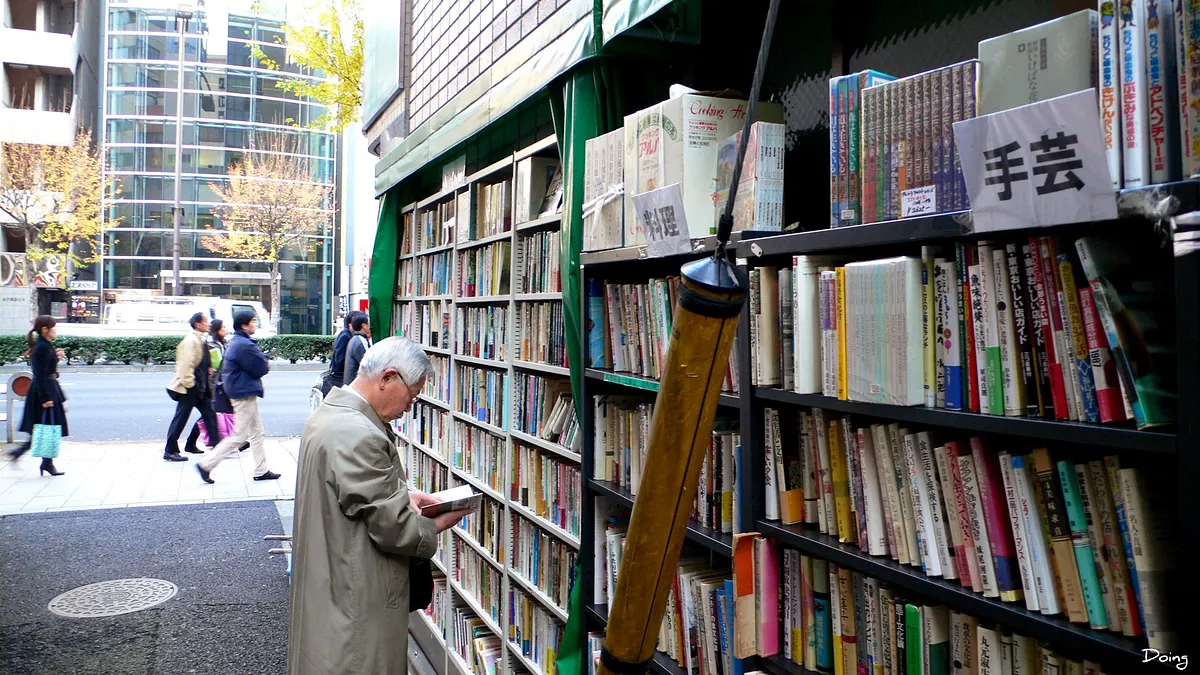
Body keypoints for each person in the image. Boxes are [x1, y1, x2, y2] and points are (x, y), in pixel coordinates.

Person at [288, 337, 470, 675]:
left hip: (329, 582)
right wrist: (436, 524)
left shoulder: (329, 416)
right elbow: (395, 528)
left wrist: (402, 497)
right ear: (387, 378)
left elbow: (353, 497)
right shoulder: (361, 434)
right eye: (412, 395)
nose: (409, 407)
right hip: (355, 596)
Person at [195, 310, 279, 484]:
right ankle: (206, 464)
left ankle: (261, 469)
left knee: (257, 432)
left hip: (241, 391)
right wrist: (265, 360)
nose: (255, 324)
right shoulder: (244, 345)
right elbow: (261, 368)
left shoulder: (237, 342)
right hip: (243, 393)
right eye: (253, 321)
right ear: (244, 325)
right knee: (240, 436)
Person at [6, 316, 68, 476]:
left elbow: (48, 369)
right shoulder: (42, 347)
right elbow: (39, 374)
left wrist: (56, 358)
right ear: (45, 329)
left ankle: (39, 460)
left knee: (46, 426)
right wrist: (45, 398)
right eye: (54, 327)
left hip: (49, 388)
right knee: (46, 426)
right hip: (45, 390)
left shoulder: (45, 346)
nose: (56, 331)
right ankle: (42, 461)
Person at [183, 319, 249, 454]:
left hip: (224, 382)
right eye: (223, 327)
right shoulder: (209, 345)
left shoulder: (225, 343)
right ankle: (200, 442)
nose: (226, 330)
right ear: (217, 330)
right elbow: (206, 365)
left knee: (219, 413)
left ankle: (233, 441)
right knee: (211, 413)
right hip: (214, 384)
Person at [163, 312, 221, 462]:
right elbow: (185, 364)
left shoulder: (200, 339)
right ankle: (170, 450)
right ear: (197, 324)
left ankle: (217, 447)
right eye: (205, 321)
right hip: (191, 387)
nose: (208, 324)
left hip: (200, 386)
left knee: (210, 414)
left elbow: (199, 361)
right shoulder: (191, 341)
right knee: (181, 418)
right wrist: (190, 384)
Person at [322, 311, 361, 396]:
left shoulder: (347, 334)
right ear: (350, 324)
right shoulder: (345, 336)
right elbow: (339, 359)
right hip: (339, 377)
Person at [342, 313, 372, 386]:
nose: (371, 326)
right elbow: (369, 365)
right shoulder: (360, 341)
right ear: (364, 325)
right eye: (369, 323)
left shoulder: (355, 339)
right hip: (356, 386)